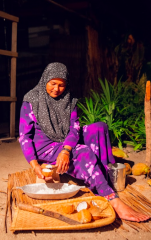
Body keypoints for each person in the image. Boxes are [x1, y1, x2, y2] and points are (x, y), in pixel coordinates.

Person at [19, 62, 149, 222]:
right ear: (45, 79)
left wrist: (65, 151)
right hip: (46, 147)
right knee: (83, 152)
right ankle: (112, 199)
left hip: (64, 141)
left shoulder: (69, 100)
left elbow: (74, 128)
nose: (56, 89)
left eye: (61, 85)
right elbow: (24, 136)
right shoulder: (31, 101)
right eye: (53, 83)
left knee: (99, 128)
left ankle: (103, 178)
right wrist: (35, 165)